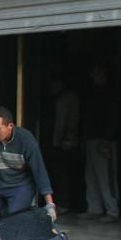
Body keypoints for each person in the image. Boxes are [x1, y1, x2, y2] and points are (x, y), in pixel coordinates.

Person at [78, 64, 120, 223]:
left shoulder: (111, 93)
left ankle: (112, 210)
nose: (95, 76)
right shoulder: (91, 93)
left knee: (106, 176)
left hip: (104, 140)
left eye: (98, 72)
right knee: (92, 176)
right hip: (90, 139)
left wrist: (107, 140)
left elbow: (113, 118)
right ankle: (94, 208)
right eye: (93, 73)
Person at [46, 76, 80, 214]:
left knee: (64, 172)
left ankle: (64, 203)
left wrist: (68, 137)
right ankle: (60, 202)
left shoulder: (68, 97)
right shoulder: (59, 98)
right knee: (59, 172)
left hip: (65, 141)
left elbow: (72, 118)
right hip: (58, 140)